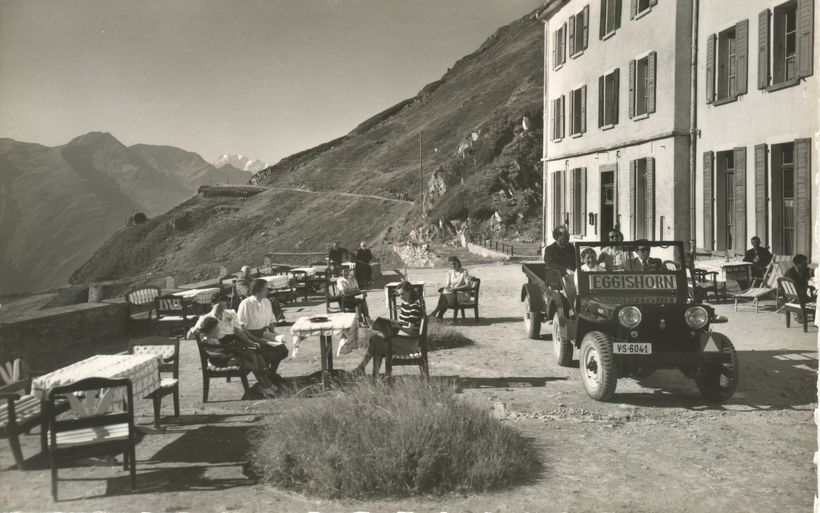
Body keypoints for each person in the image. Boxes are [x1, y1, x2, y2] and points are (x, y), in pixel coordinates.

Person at [188, 296, 278, 398]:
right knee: (252, 358)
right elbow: (197, 333)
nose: (222, 308)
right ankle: (264, 385)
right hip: (225, 347)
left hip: (234, 343)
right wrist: (193, 330)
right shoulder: (206, 318)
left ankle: (265, 382)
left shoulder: (229, 313)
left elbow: (238, 330)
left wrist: (249, 342)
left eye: (224, 305)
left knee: (255, 353)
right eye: (219, 306)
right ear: (212, 304)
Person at [352, 281, 423, 376]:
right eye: (399, 295)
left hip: (409, 342)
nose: (401, 297)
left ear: (409, 291)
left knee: (375, 341)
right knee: (376, 339)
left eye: (402, 294)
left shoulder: (414, 307)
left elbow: (409, 329)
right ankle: (369, 372)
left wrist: (396, 325)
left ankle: (366, 370)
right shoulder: (406, 304)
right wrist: (391, 322)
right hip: (402, 338)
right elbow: (403, 323)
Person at [236, 279, 289, 383]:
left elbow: (270, 322)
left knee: (282, 350)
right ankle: (266, 378)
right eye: (265, 289)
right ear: (257, 289)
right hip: (249, 336)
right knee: (264, 353)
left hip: (264, 334)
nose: (268, 291)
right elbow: (240, 327)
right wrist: (256, 340)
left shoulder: (267, 302)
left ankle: (270, 374)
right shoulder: (246, 303)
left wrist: (274, 335)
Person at [428, 256, 471, 320]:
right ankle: (439, 316)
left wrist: (455, 289)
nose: (453, 265)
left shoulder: (464, 271)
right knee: (444, 295)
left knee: (445, 298)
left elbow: (468, 285)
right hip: (453, 294)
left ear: (458, 263)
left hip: (462, 294)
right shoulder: (450, 272)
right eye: (451, 264)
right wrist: (446, 288)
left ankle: (436, 314)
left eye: (454, 263)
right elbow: (448, 284)